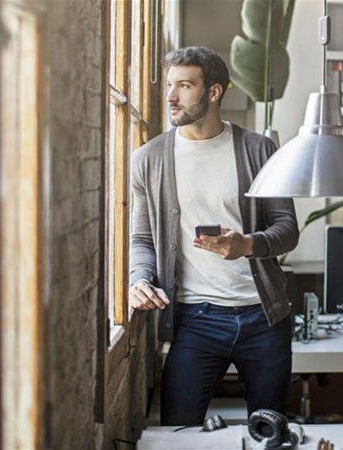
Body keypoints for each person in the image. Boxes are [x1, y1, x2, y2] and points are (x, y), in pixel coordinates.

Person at [128, 46, 299, 426]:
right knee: (177, 428)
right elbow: (142, 239)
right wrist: (138, 279)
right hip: (196, 320)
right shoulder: (149, 159)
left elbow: (287, 229)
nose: (171, 97)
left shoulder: (258, 150)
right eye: (169, 85)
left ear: (214, 92)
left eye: (184, 86)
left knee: (269, 430)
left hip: (264, 318)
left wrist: (247, 246)